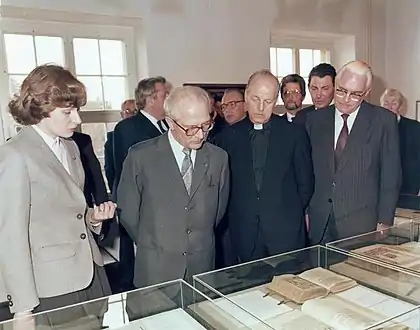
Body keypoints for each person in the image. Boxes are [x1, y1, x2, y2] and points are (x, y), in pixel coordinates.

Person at [0, 64, 116, 328]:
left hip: (93, 275)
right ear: (41, 109)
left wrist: (94, 219)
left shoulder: (71, 147)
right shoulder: (15, 155)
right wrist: (23, 309)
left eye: (77, 110)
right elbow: (10, 238)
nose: (77, 119)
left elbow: (70, 213)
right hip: (52, 289)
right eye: (68, 112)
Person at [117, 86, 229, 319]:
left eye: (206, 125)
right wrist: (158, 242)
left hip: (202, 271)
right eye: (191, 128)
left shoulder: (218, 158)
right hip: (155, 275)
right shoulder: (141, 157)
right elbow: (128, 214)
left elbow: (218, 212)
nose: (200, 134)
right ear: (169, 121)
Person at [215, 69, 314, 263]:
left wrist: (282, 210)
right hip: (244, 233)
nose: (261, 107)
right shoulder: (226, 138)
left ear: (276, 100)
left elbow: (306, 183)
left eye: (268, 101)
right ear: (246, 96)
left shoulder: (294, 134)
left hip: (286, 232)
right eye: (255, 99)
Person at [305, 61, 401, 244]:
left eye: (355, 94)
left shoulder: (383, 121)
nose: (346, 99)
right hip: (319, 221)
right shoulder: (314, 120)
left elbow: (391, 175)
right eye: (341, 90)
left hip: (361, 223)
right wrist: (305, 212)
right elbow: (306, 172)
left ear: (366, 92)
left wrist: (385, 221)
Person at [112, 77, 168, 292]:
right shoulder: (127, 128)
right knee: (138, 268)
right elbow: (129, 175)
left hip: (165, 208)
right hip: (142, 208)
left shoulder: (166, 125)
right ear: (150, 98)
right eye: (164, 94)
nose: (168, 98)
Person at [380, 88, 420, 195]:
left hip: (408, 185)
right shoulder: (373, 128)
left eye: (394, 103)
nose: (389, 107)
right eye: (386, 103)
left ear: (400, 107)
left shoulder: (415, 127)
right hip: (380, 185)